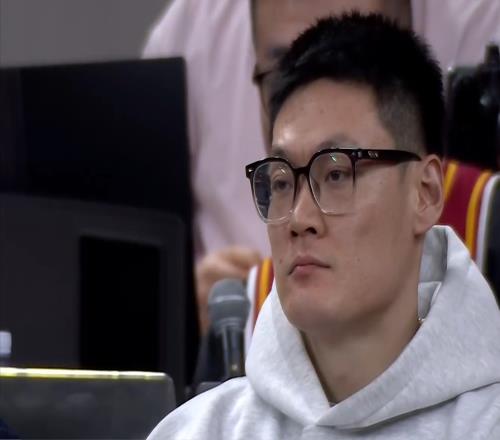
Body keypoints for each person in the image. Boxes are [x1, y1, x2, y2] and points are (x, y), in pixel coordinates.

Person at [148, 13, 500, 439]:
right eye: (282, 181)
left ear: (425, 192)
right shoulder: (200, 431)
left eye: (336, 174)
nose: (299, 219)